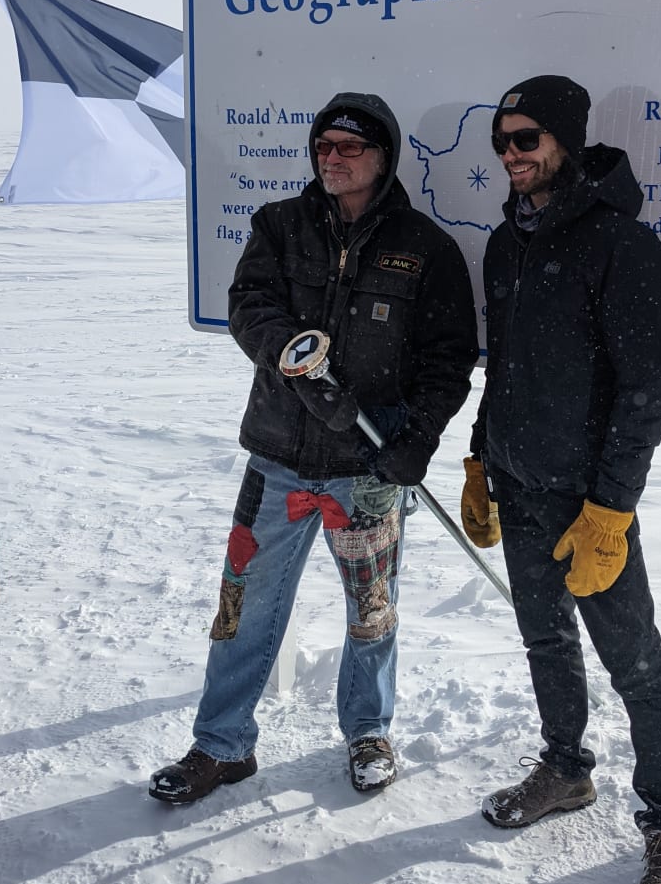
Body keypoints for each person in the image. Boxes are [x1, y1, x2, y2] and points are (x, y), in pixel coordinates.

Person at [152, 92, 478, 804]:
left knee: (372, 610)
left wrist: (416, 442)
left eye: (349, 147)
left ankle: (368, 733)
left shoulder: (426, 250)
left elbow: (448, 360)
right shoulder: (280, 225)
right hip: (276, 457)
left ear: (383, 157)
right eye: (324, 145)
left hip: (366, 470)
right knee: (243, 605)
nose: (332, 158)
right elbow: (250, 305)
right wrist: (295, 364)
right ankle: (221, 746)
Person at [460, 74, 661, 884]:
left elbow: (645, 390)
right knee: (543, 638)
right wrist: (483, 458)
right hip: (521, 483)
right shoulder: (505, 243)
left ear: (564, 139)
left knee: (635, 662)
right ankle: (565, 768)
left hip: (590, 503)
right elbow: (506, 364)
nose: (512, 155)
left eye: (527, 139)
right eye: (501, 141)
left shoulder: (622, 246)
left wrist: (613, 508)